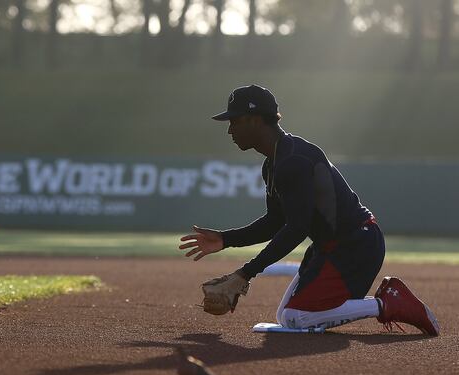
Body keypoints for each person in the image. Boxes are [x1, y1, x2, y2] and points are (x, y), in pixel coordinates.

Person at [179, 84, 438, 335]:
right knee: (286, 317)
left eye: (235, 121)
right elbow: (275, 222)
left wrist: (244, 274)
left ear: (255, 120)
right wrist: (226, 239)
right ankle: (381, 301)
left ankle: (387, 303)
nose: (230, 131)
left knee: (297, 317)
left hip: (356, 246)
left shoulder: (293, 161)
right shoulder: (274, 163)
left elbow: (297, 229)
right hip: (333, 247)